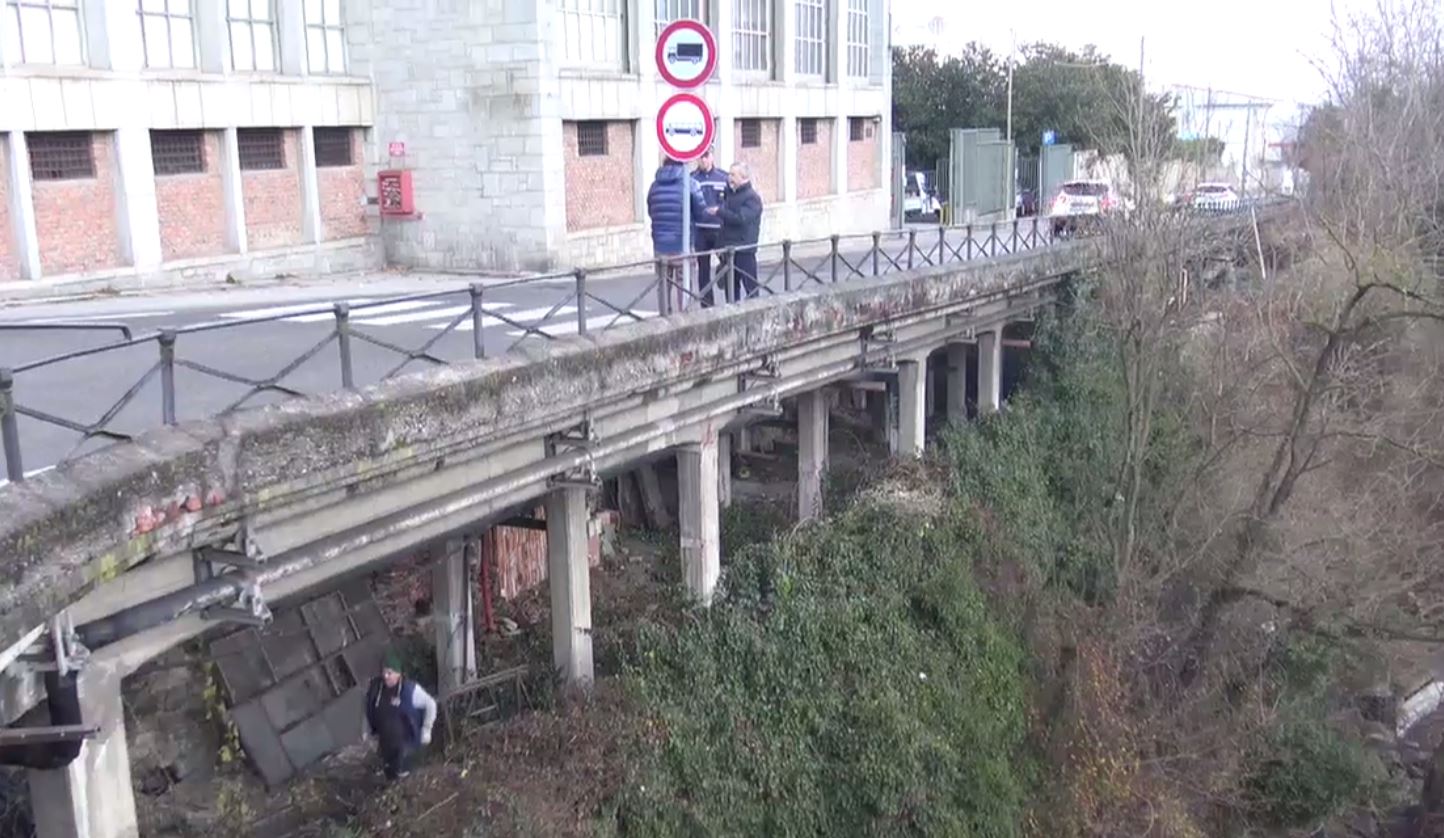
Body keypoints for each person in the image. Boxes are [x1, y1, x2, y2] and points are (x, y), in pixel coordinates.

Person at [363, 650, 437, 781]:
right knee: (390, 776)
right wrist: (367, 732)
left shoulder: (410, 690)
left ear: (398, 674)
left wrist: (427, 729)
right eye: (384, 672)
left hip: (408, 746)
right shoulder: (377, 688)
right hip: (386, 745)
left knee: (408, 778)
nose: (385, 676)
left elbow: (431, 704)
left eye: (390, 673)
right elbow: (368, 708)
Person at [646, 156, 707, 312]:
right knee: (685, 284)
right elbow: (701, 212)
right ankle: (686, 318)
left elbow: (650, 211)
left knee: (663, 284)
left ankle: (664, 317)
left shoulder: (654, 186)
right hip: (683, 244)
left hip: (660, 244)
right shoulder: (690, 183)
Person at [707, 162, 764, 300]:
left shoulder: (752, 198)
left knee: (751, 289)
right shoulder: (729, 195)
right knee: (731, 290)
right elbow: (725, 225)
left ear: (743, 177)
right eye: (729, 174)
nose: (729, 178)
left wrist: (720, 212)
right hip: (729, 250)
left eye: (733, 175)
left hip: (744, 250)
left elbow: (741, 219)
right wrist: (719, 246)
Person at [691, 147, 729, 306]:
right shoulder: (692, 179)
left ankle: (731, 301)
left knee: (728, 266)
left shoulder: (723, 177)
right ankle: (707, 306)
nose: (703, 160)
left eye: (706, 156)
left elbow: (729, 202)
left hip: (719, 231)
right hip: (700, 231)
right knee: (703, 272)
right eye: (700, 157)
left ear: (712, 157)